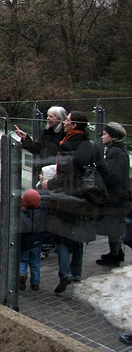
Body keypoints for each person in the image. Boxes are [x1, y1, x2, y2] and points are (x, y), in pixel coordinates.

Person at [42, 110, 109, 294]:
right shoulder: (92, 145)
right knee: (79, 234)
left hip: (68, 196)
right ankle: (77, 271)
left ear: (74, 125)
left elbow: (64, 177)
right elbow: (102, 170)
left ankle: (65, 273)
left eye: (68, 120)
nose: (64, 123)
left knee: (62, 235)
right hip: (87, 196)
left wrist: (48, 183)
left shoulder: (66, 146)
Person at [96, 122, 130, 266]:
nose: (102, 137)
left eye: (105, 134)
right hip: (120, 195)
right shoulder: (120, 151)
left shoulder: (114, 152)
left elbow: (111, 174)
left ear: (112, 136)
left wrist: (100, 167)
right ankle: (116, 252)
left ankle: (115, 254)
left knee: (113, 226)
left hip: (115, 196)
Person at [14, 106, 67, 187]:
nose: (48, 118)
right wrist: (25, 138)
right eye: (48, 116)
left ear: (59, 119)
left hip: (56, 172)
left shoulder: (64, 135)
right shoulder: (47, 133)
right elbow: (37, 148)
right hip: (45, 171)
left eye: (51, 116)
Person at [19, 189, 45, 291]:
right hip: (37, 242)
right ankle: (35, 282)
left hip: (25, 243)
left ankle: (22, 273)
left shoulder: (22, 214)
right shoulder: (42, 212)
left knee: (22, 260)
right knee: (35, 262)